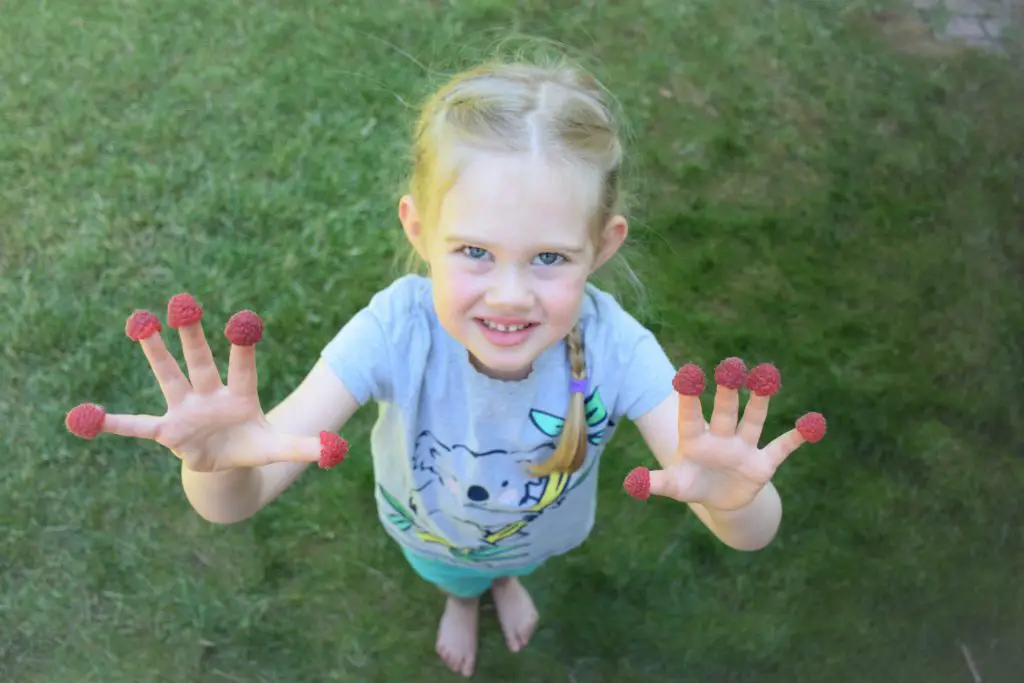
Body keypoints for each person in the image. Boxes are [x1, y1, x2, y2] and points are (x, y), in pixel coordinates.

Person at [65, 56, 825, 678]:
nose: (510, 294)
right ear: (420, 230)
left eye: (551, 258)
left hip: (541, 530)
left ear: (604, 246)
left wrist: (732, 501)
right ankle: (463, 597)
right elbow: (236, 499)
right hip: (427, 529)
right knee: (451, 574)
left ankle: (504, 580)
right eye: (473, 251)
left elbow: (751, 534)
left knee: (510, 561)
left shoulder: (620, 350)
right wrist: (218, 464)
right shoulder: (396, 330)